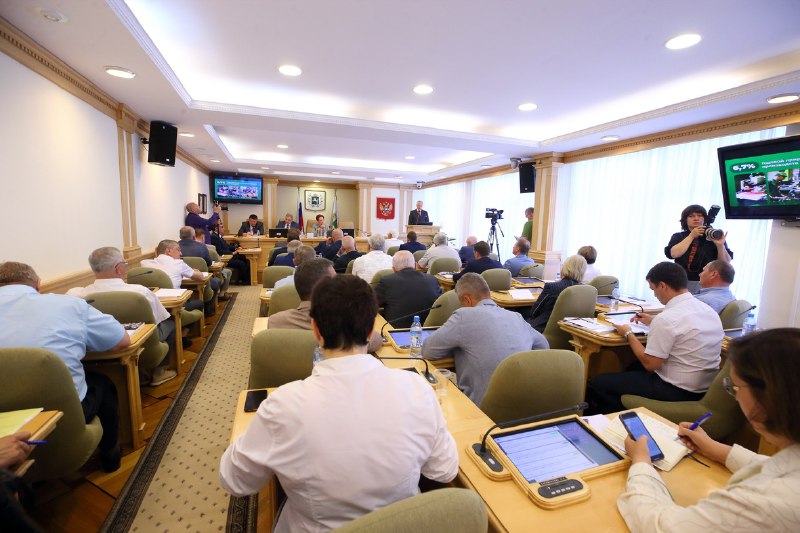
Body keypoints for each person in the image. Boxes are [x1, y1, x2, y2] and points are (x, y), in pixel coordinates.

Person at [221, 275, 458, 533]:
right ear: (371, 330)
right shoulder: (417, 389)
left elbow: (234, 479)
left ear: (316, 330)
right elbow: (444, 471)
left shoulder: (283, 406)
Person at [617, 328, 800, 532]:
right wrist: (713, 448)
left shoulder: (763, 502)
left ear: (768, 398)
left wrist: (641, 463)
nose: (736, 398)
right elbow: (773, 467)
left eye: (735, 388)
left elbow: (662, 527)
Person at [0, 262, 130, 472]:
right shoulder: (69, 305)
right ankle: (111, 455)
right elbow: (121, 340)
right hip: (65, 416)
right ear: (38, 284)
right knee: (102, 383)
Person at [587, 262, 723, 414]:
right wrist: (653, 321)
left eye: (653, 289)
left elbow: (650, 364)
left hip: (676, 389)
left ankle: (624, 416)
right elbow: (686, 328)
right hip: (704, 388)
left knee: (598, 383)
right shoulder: (708, 311)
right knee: (632, 367)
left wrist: (628, 333)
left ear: (663, 286)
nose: (654, 295)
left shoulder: (667, 318)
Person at [422, 273, 548, 405]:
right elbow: (544, 346)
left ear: (467, 300)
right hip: (524, 404)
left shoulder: (464, 316)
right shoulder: (516, 317)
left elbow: (428, 350)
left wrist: (456, 348)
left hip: (481, 408)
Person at [66, 247, 177, 386]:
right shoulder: (140, 293)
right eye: (124, 263)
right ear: (118, 268)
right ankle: (158, 373)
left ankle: (138, 374)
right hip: (144, 350)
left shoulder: (76, 295)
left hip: (96, 352)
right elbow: (158, 320)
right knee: (170, 324)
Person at [665, 204, 733, 294]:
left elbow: (725, 263)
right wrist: (691, 236)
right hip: (682, 281)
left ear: (705, 219)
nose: (696, 218)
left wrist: (720, 245)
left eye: (700, 215)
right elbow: (674, 254)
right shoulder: (679, 236)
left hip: (708, 283)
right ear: (685, 220)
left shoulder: (713, 236)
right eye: (691, 216)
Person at [142, 240, 215, 316]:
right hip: (174, 307)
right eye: (178, 250)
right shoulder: (178, 263)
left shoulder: (145, 264)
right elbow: (200, 276)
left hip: (152, 308)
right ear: (168, 251)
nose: (181, 253)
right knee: (200, 303)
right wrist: (195, 270)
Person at [374, 251, 442, 328]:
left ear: (394, 269)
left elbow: (372, 303)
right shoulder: (432, 280)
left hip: (395, 332)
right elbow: (441, 302)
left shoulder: (387, 281)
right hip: (427, 331)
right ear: (415, 265)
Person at [527, 255, 587, 332]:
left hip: (542, 328)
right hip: (570, 332)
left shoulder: (552, 287)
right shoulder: (586, 291)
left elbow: (534, 312)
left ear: (565, 267)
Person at [178, 227, 223, 302]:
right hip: (200, 279)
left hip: (180, 282)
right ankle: (208, 307)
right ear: (194, 237)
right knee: (216, 282)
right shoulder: (201, 246)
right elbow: (209, 263)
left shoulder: (174, 247)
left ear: (180, 236)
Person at [196, 229, 232, 301]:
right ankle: (221, 295)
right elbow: (214, 262)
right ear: (203, 237)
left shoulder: (182, 248)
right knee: (227, 272)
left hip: (191, 275)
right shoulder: (209, 248)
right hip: (209, 273)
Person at [210, 220, 250, 284]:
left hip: (229, 256)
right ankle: (240, 281)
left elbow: (227, 246)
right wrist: (232, 253)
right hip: (225, 258)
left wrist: (236, 248)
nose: (223, 229)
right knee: (241, 263)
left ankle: (245, 279)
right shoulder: (214, 237)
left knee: (245, 258)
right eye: (222, 227)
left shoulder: (219, 236)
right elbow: (219, 251)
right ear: (216, 228)